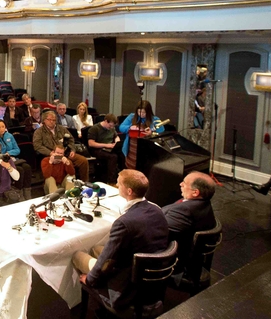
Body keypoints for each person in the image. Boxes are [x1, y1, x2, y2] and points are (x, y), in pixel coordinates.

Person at [72, 170, 170, 312]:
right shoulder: (157, 209)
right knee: (95, 248)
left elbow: (107, 258)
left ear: (129, 191)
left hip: (128, 285)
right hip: (152, 271)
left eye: (119, 183)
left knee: (77, 255)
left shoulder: (124, 223)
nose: (117, 185)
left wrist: (89, 280)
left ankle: (75, 301)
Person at [162, 172, 217, 276]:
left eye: (184, 183)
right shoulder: (201, 203)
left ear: (195, 192)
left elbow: (159, 230)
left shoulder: (185, 211)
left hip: (174, 261)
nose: (180, 184)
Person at [33, 110, 90, 182]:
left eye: (54, 120)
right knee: (68, 163)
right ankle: (68, 183)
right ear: (44, 120)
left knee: (83, 161)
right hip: (52, 154)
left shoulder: (61, 128)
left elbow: (71, 139)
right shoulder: (39, 132)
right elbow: (37, 145)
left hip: (66, 152)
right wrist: (50, 153)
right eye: (49, 120)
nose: (52, 121)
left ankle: (84, 182)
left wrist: (72, 150)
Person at [0, 120, 32, 199]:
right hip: (0, 161)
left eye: (3, 127)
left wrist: (9, 153)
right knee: (20, 170)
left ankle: (27, 192)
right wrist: (0, 156)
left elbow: (17, 150)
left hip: (12, 159)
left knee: (27, 167)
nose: (1, 129)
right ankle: (18, 193)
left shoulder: (9, 135)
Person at [87, 114, 123, 183]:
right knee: (113, 157)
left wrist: (117, 142)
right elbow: (91, 143)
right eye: (110, 125)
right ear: (106, 121)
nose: (111, 127)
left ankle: (120, 178)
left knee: (122, 154)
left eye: (113, 126)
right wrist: (106, 145)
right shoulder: (94, 129)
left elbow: (116, 136)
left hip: (109, 147)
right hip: (97, 149)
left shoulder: (112, 128)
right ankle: (111, 181)